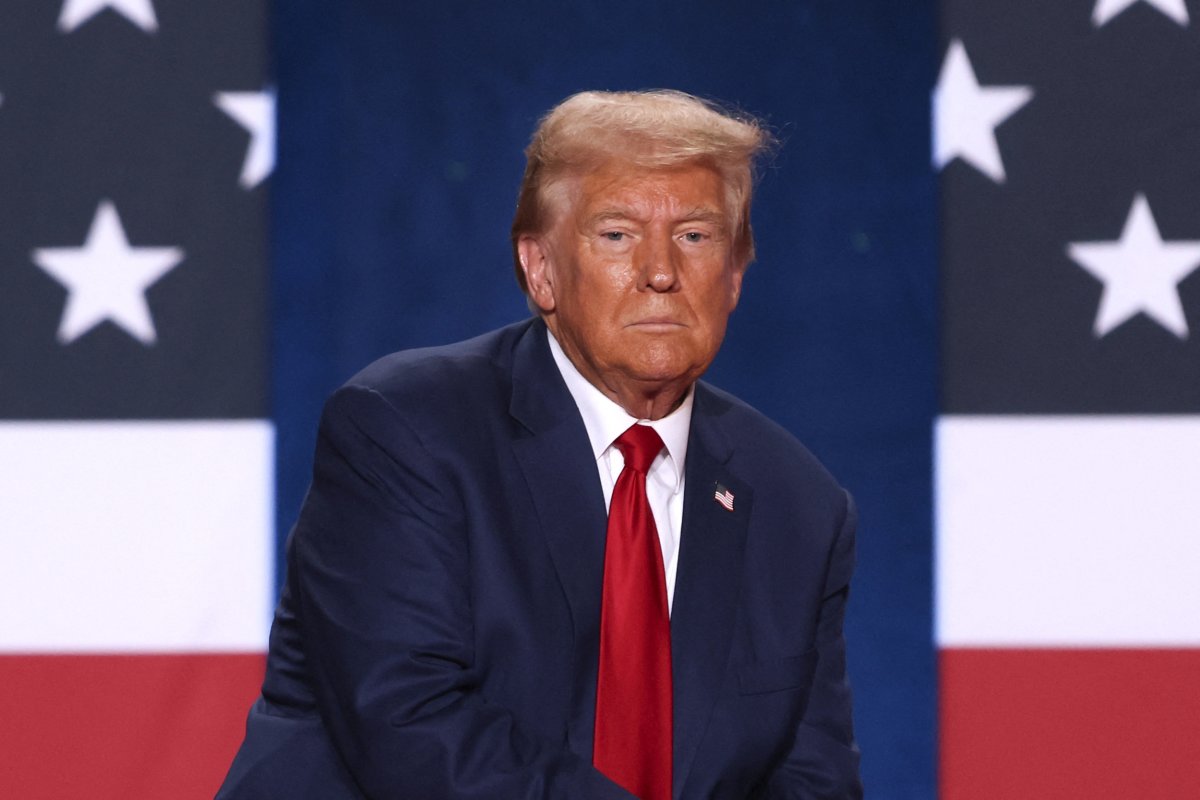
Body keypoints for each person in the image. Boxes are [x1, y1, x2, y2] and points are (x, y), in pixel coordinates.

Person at [219, 89, 861, 799]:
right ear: (541, 269)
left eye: (696, 235)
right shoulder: (406, 431)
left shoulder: (797, 506)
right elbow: (409, 722)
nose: (660, 271)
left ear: (736, 274)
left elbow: (811, 779)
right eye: (616, 234)